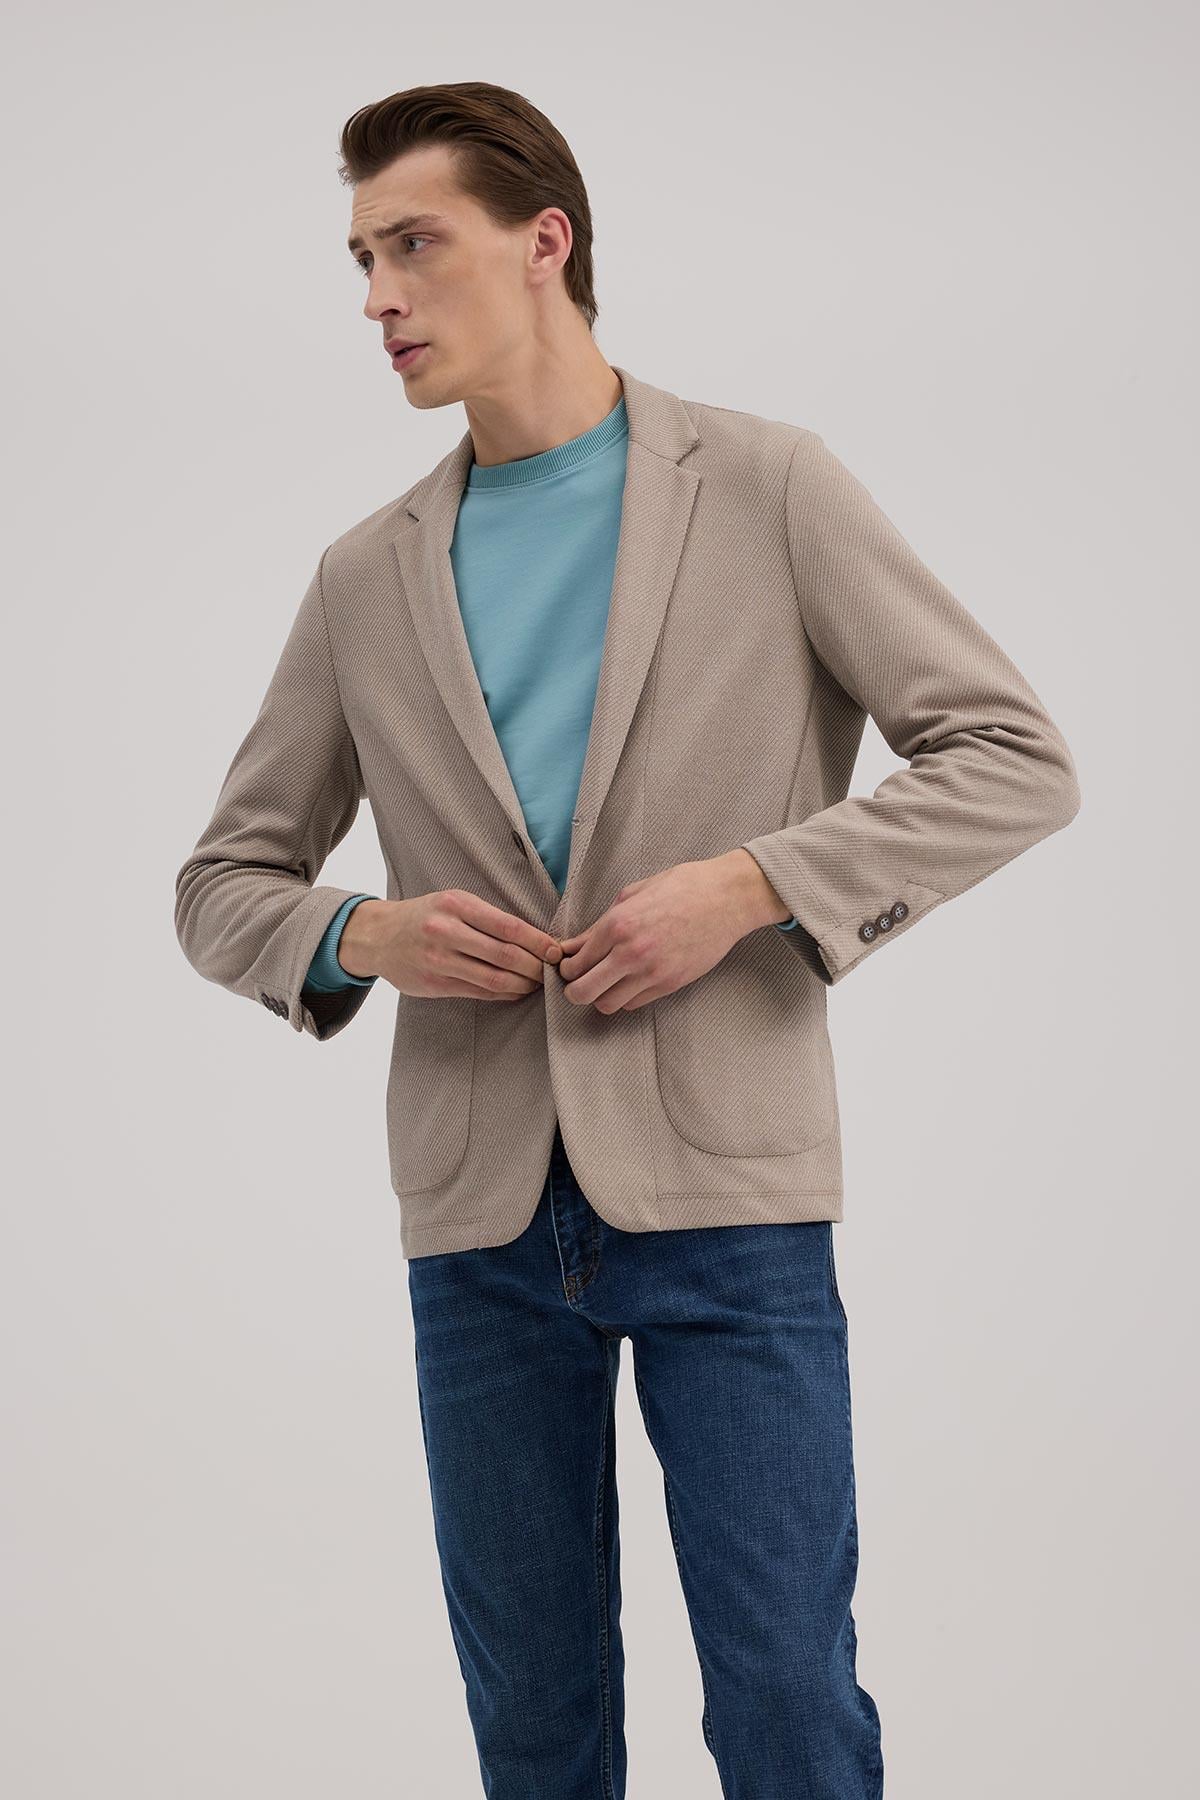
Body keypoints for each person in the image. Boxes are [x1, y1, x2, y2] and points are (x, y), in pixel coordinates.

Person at [174, 79, 1080, 1800]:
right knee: (536, 1728)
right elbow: (224, 881)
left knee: (786, 1703)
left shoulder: (766, 484)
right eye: (361, 259)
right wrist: (364, 931)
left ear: (546, 241)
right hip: (479, 1218)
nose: (376, 295)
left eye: (413, 246)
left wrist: (751, 888)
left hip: (730, 1194)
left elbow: (1012, 757)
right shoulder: (364, 576)